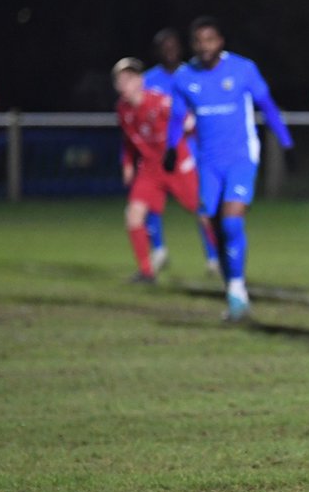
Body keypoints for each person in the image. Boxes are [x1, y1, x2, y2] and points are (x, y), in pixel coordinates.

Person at [166, 17, 293, 320]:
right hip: (207, 163)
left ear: (220, 41)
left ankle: (237, 291)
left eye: (210, 39)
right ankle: (234, 287)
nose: (205, 46)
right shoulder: (185, 77)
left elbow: (268, 106)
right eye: (199, 41)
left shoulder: (243, 69)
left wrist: (287, 145)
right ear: (193, 45)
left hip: (240, 158)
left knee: (232, 221)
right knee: (213, 224)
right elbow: (176, 117)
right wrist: (171, 148)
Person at [113, 58, 199, 283]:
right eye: (121, 79)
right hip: (150, 169)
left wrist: (190, 153)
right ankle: (146, 271)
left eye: (129, 78)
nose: (125, 83)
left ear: (140, 81)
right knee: (133, 216)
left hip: (175, 165)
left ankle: (225, 260)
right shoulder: (122, 109)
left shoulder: (160, 102)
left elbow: (189, 123)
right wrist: (128, 164)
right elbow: (129, 141)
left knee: (203, 212)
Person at [142, 28, 218, 275]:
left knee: (202, 204)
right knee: (150, 202)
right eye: (164, 46)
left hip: (192, 152)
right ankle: (158, 250)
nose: (169, 50)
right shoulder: (149, 80)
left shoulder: (193, 73)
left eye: (173, 45)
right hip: (158, 154)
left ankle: (213, 257)